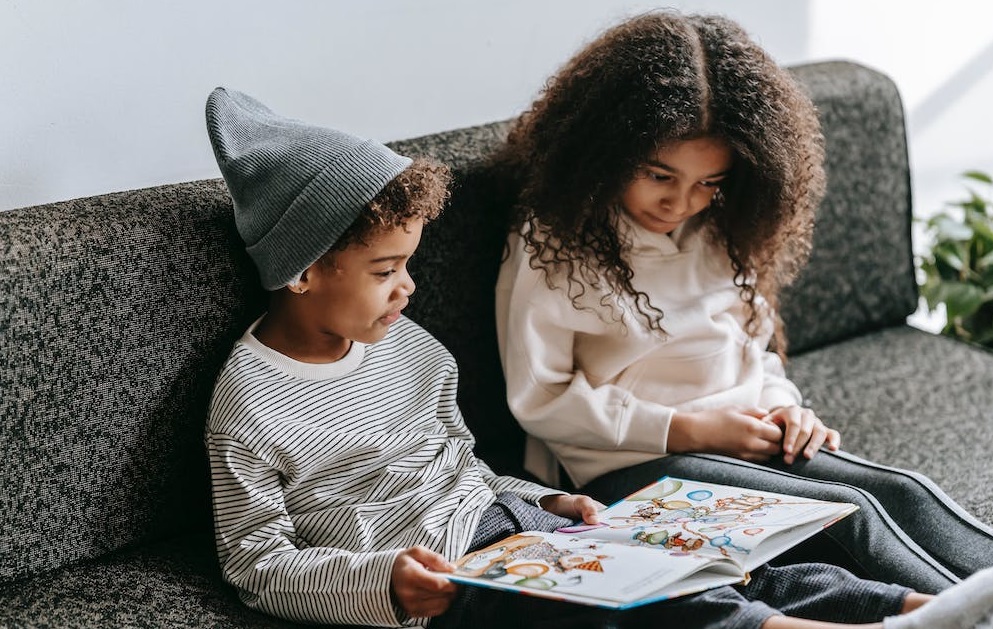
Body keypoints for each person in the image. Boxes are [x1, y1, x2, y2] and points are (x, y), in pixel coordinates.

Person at [200, 87, 981, 629]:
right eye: (383, 272)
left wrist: (542, 502)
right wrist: (382, 584)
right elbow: (257, 561)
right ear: (301, 271)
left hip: (519, 528)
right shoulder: (252, 404)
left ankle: (920, 607)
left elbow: (466, 469)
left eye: (408, 266)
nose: (406, 289)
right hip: (448, 584)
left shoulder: (412, 349)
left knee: (702, 558)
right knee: (644, 608)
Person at [493, 9, 993, 598]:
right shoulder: (552, 246)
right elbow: (540, 400)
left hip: (740, 436)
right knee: (848, 516)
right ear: (609, 148)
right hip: (625, 468)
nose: (682, 202)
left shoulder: (719, 229)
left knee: (905, 490)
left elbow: (751, 349)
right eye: (660, 175)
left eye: (710, 182)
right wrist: (692, 429)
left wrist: (786, 407)